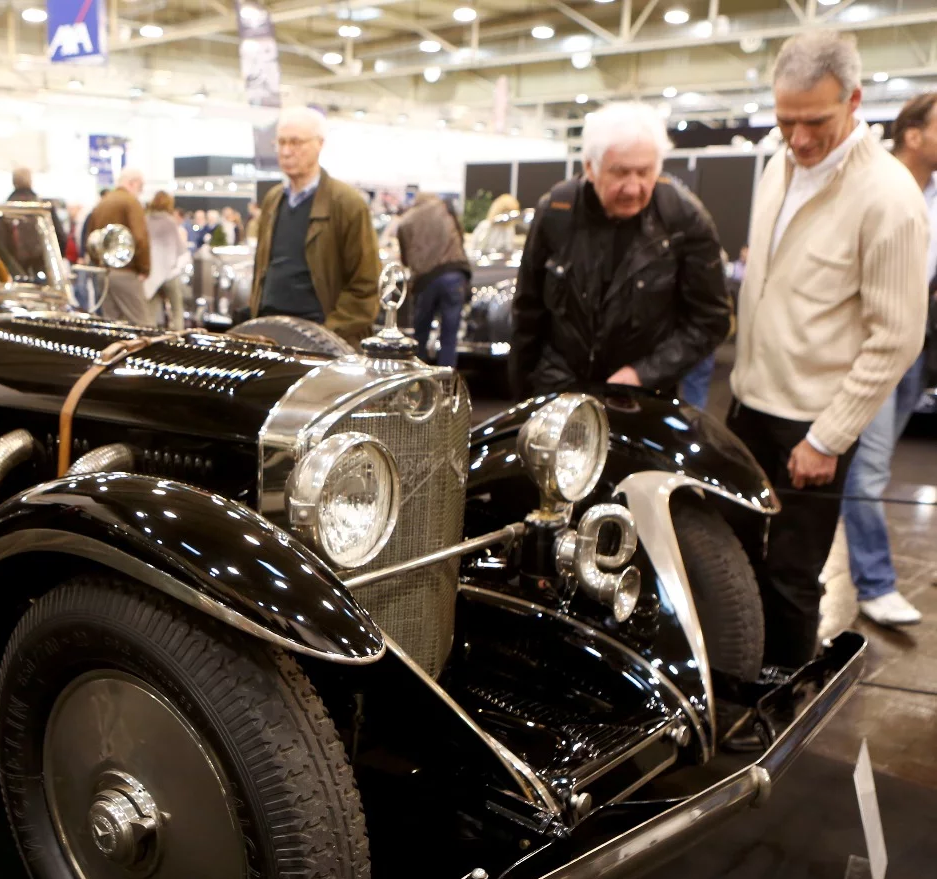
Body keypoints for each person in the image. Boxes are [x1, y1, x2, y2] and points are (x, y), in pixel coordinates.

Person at [731, 30, 928, 667]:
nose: (799, 137)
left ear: (855, 101)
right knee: (738, 558)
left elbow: (897, 336)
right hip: (748, 404)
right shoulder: (776, 167)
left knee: (790, 575)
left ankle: (782, 699)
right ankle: (739, 678)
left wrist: (828, 437)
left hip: (810, 424)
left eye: (814, 120)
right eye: (785, 120)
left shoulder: (889, 196)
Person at [511, 102, 731, 396]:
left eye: (644, 172)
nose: (633, 187)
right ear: (590, 167)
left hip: (642, 399)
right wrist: (522, 400)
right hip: (560, 394)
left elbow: (711, 320)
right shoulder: (556, 212)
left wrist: (645, 374)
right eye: (620, 172)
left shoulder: (683, 218)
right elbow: (528, 313)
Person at [835, 91, 937, 628]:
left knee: (878, 466)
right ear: (914, 134)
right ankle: (876, 584)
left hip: (917, 348)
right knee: (868, 473)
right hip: (871, 346)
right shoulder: (876, 187)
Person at [250, 107, 381, 345]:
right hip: (270, 333)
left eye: (296, 142)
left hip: (322, 339)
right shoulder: (273, 200)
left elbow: (366, 285)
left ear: (319, 144)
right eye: (281, 142)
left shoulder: (347, 204)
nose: (287, 151)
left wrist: (327, 333)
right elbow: (261, 270)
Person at [395, 190, 470, 363]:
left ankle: (418, 380)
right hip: (454, 274)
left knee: (420, 334)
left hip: (426, 280)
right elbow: (460, 238)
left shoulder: (406, 221)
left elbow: (405, 258)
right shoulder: (445, 208)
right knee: (449, 336)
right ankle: (446, 382)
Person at [83, 168, 152, 324]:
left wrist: (99, 262)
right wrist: (144, 268)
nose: (140, 192)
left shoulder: (102, 203)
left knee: (111, 325)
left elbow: (90, 239)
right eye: (140, 187)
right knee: (143, 325)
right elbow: (140, 238)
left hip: (104, 272)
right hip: (126, 273)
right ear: (133, 183)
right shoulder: (131, 202)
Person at [144, 191, 191, 329]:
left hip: (152, 273)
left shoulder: (146, 220)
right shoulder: (169, 222)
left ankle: (149, 338)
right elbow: (180, 248)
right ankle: (177, 338)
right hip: (170, 274)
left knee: (151, 311)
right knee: (177, 310)